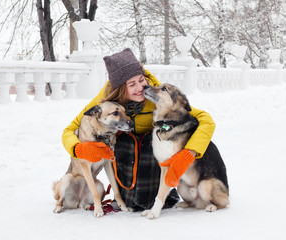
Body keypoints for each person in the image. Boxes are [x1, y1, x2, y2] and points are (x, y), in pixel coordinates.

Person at [62, 48, 216, 211]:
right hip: (125, 154)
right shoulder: (105, 100)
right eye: (132, 84)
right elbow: (69, 130)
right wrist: (78, 149)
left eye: (141, 80)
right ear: (120, 88)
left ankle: (162, 194)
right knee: (121, 141)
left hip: (151, 153)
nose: (140, 87)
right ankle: (124, 194)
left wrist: (189, 153)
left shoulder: (156, 94)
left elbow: (206, 120)